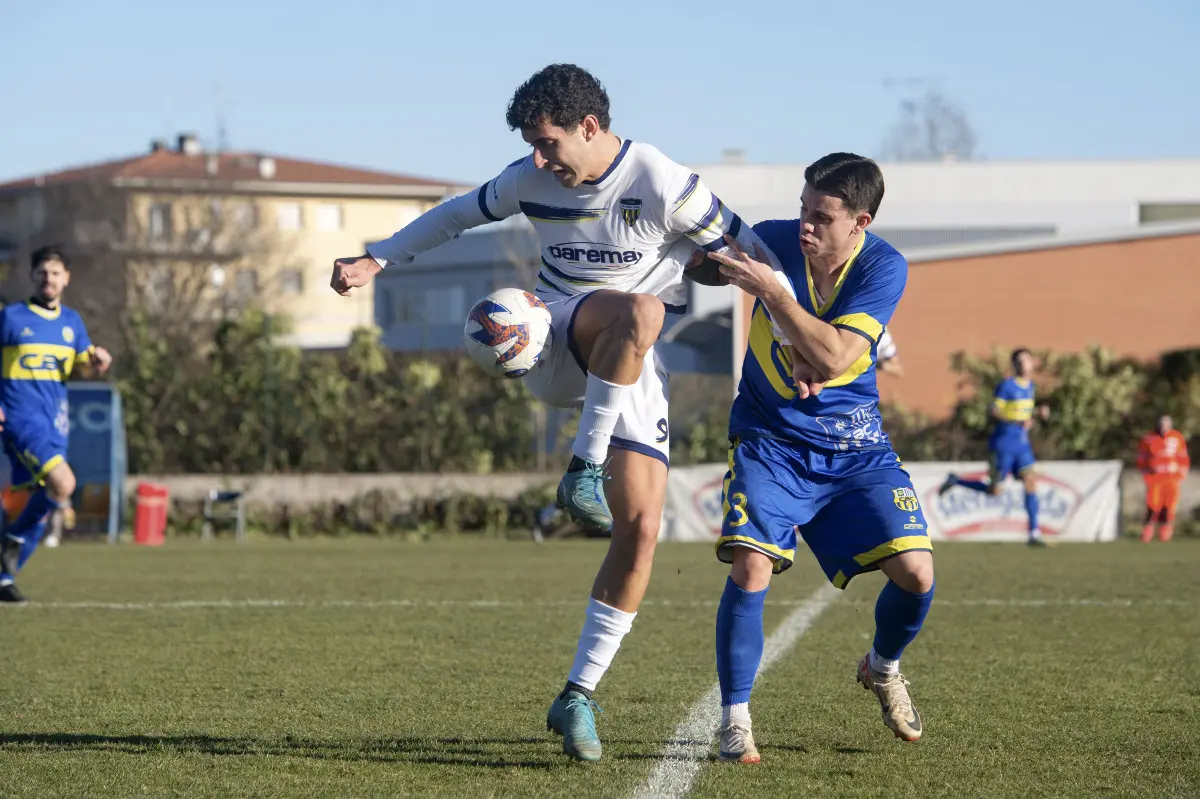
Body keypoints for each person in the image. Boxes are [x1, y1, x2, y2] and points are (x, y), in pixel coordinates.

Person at [328, 64, 782, 761]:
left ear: (590, 127)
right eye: (533, 146)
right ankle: (582, 468)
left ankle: (577, 694)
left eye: (548, 143)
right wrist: (376, 260)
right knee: (640, 310)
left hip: (630, 362)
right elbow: (455, 214)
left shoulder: (661, 180)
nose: (539, 160)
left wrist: (793, 333)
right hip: (559, 335)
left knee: (642, 531)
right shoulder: (529, 179)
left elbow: (752, 257)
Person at [702, 153, 935, 763]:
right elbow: (704, 254)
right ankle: (734, 719)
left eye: (822, 217)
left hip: (856, 447)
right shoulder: (774, 240)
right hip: (770, 439)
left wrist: (772, 295)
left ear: (860, 222)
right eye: (803, 208)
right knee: (750, 564)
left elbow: (834, 358)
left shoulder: (883, 266)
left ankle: (882, 667)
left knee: (917, 575)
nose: (804, 225)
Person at [0, 246, 112, 603]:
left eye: (55, 273)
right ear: (32, 276)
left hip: (55, 422)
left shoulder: (72, 323)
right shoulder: (11, 317)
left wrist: (97, 362)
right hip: (20, 417)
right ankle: (12, 541)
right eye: (42, 272)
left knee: (47, 498)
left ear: (66, 279)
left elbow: (83, 364)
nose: (48, 279)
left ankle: (4, 577)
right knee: (64, 482)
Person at [939, 348, 1050, 546]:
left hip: (1022, 445)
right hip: (1003, 444)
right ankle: (956, 481)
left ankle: (1034, 533)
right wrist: (1016, 421)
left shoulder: (1031, 387)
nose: (1023, 364)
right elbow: (994, 410)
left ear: (1032, 363)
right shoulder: (1007, 386)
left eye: (1026, 360)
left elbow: (1022, 413)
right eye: (1019, 361)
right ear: (1014, 365)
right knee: (995, 491)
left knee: (1030, 480)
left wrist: (1036, 413)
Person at [1137, 414, 1190, 542]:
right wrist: (1146, 475)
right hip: (1155, 478)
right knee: (1152, 505)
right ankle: (1147, 533)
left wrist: (1181, 475)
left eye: (1166, 424)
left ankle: (1165, 534)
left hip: (1171, 478)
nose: (1163, 427)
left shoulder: (1177, 437)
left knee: (1169, 506)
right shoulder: (1148, 438)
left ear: (1170, 425)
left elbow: (1183, 457)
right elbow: (1142, 459)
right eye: (1161, 424)